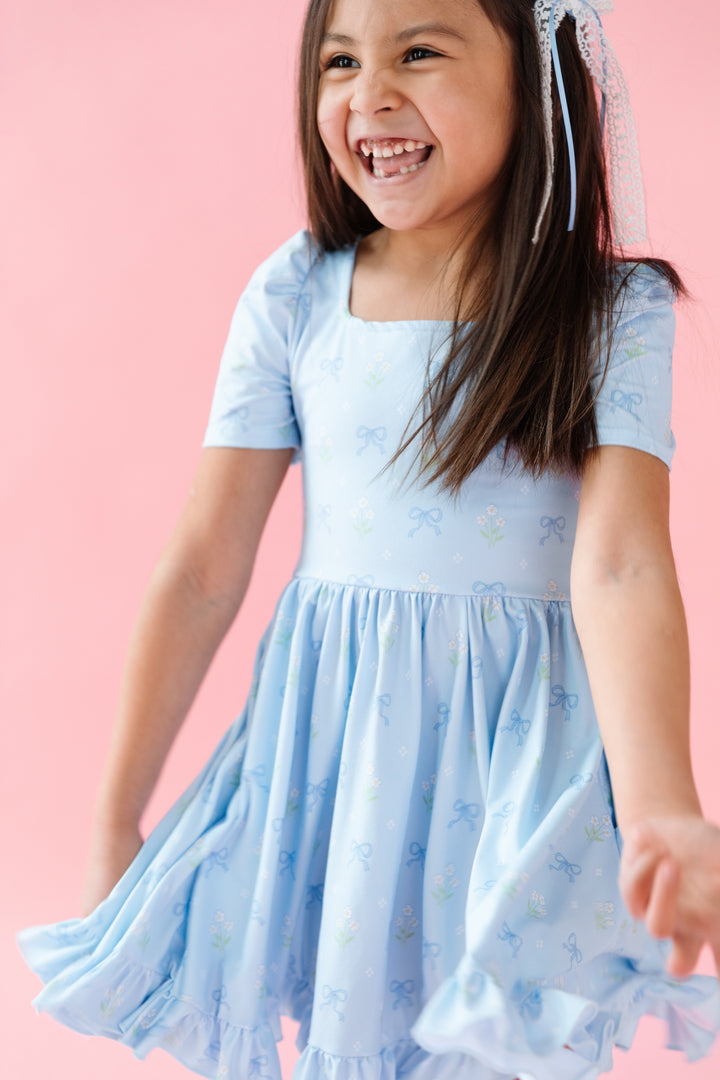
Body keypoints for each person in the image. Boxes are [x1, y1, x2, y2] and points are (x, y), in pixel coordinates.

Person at [16, 0, 720, 1077]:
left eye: (420, 51)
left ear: (537, 79)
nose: (370, 95)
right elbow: (203, 567)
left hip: (518, 764)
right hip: (337, 760)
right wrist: (117, 814)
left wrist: (664, 803)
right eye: (339, 61)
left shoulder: (608, 311)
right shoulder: (297, 296)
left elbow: (622, 562)